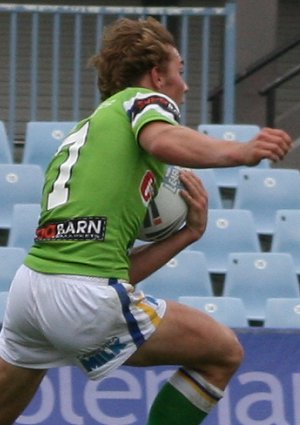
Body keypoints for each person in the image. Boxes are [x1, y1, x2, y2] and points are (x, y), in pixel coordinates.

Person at [0, 17, 292, 425]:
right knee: (223, 352)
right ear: (158, 75)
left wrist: (188, 234)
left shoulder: (86, 132)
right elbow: (162, 140)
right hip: (82, 298)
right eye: (181, 73)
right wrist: (238, 152)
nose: (185, 86)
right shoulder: (143, 101)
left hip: (30, 291)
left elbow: (109, 268)